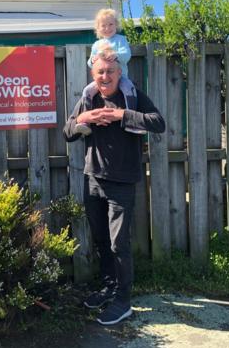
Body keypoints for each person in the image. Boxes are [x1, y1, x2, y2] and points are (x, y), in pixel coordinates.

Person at [63, 50, 165, 326]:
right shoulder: (89, 99)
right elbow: (68, 131)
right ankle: (108, 288)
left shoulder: (131, 96)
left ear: (119, 73)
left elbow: (158, 123)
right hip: (93, 179)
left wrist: (122, 115)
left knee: (119, 244)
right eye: (100, 72)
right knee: (101, 241)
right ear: (93, 75)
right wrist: (88, 119)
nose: (105, 76)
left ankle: (123, 300)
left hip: (122, 181)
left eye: (110, 71)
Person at [75, 8, 143, 136]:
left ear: (116, 25)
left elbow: (126, 55)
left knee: (130, 89)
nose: (107, 28)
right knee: (87, 91)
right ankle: (85, 122)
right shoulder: (96, 45)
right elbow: (90, 63)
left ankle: (131, 122)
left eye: (111, 24)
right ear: (98, 29)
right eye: (103, 25)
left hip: (120, 78)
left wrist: (115, 55)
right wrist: (93, 59)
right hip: (101, 81)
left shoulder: (120, 40)